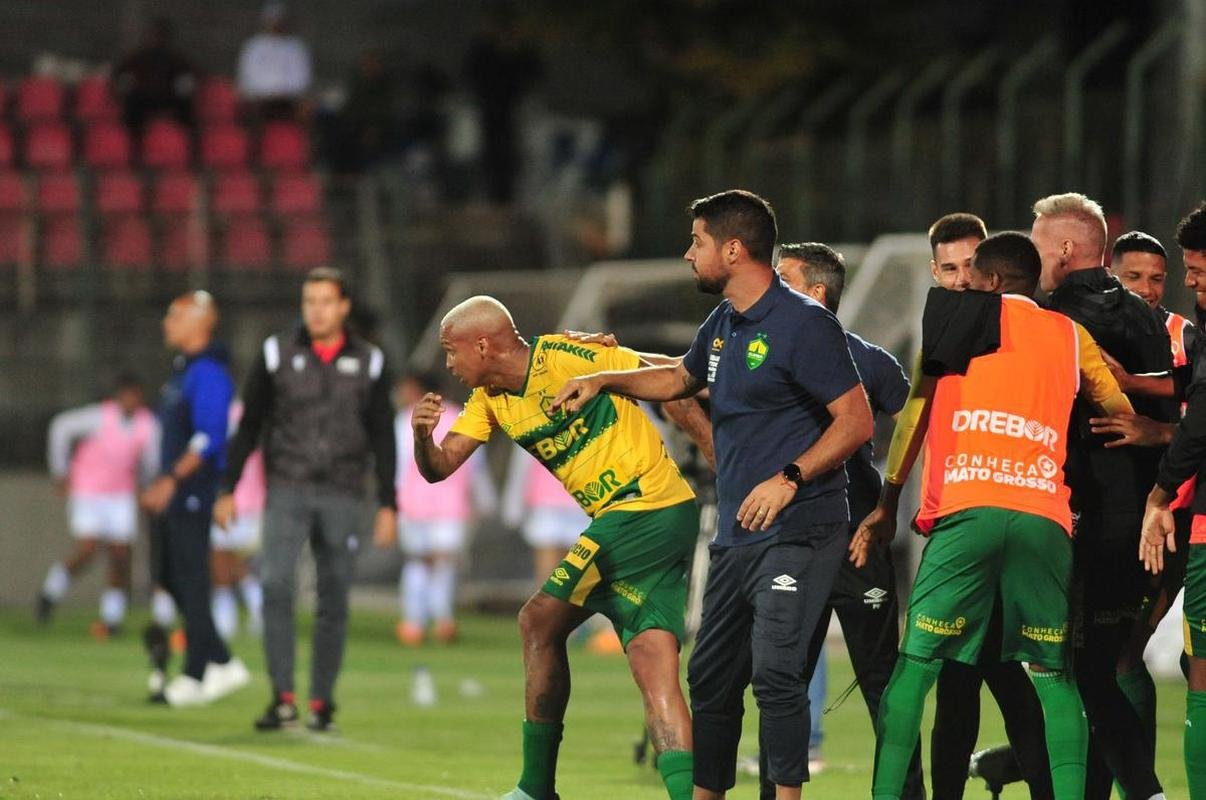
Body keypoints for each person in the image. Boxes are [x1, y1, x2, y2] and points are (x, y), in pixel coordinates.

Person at [553, 189, 875, 800]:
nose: (687, 253)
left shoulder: (806, 324)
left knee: (778, 672)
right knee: (709, 677)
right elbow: (681, 376)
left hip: (801, 528)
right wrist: (604, 377)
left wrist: (790, 478)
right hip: (737, 533)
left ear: (733, 249)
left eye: (697, 241)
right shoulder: (724, 322)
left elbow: (856, 422)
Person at [854, 231, 1136, 800]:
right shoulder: (1069, 334)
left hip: (968, 509)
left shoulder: (956, 323)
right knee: (1053, 676)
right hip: (1043, 515)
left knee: (918, 667)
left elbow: (914, 416)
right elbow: (1119, 409)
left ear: (991, 281)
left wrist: (889, 499)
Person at [414, 295, 697, 800]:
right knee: (653, 660)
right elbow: (439, 467)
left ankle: (535, 788)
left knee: (538, 620)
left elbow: (673, 376)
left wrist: (716, 449)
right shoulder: (490, 400)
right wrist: (422, 438)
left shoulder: (566, 356)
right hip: (650, 516)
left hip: (643, 506)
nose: (448, 363)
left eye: (451, 351)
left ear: (483, 344)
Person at [1032, 192, 1175, 800]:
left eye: (1038, 241)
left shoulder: (1051, 319)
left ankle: (1144, 791)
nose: (1033, 252)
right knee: (1113, 664)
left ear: (1066, 248)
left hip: (1085, 518)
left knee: (1080, 672)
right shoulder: (1149, 319)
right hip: (1144, 517)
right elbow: (1181, 399)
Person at [215, 267, 397, 733]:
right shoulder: (277, 352)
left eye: (324, 301)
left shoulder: (371, 361)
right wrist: (228, 486)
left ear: (343, 307)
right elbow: (250, 422)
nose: (315, 310)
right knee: (274, 583)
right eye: (308, 301)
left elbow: (382, 436)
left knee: (333, 597)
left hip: (343, 492)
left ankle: (321, 701)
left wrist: (388, 502)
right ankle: (283, 696)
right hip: (288, 487)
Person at [923, 213, 1057, 800]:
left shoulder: (1029, 335)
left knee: (1009, 682)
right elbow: (916, 427)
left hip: (1010, 523)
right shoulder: (949, 341)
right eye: (947, 268)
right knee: (966, 688)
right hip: (955, 525)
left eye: (968, 267)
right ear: (935, 271)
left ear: (993, 274)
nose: (959, 280)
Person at [139, 291, 249, 707]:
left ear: (200, 322)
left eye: (174, 316)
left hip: (192, 492)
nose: (167, 324)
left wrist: (170, 480)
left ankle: (196, 671)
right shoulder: (184, 371)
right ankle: (219, 661)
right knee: (170, 574)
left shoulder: (209, 374)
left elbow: (209, 438)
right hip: (177, 491)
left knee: (189, 577)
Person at [1139, 201, 1206, 799]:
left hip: (1194, 519)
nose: (1188, 283)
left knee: (1200, 673)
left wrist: (1161, 492)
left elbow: (1197, 419)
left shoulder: (1192, 336)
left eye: (1195, 271)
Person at [37, 373, 159, 639]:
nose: (132, 400)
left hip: (121, 496)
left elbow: (151, 459)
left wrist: (148, 486)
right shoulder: (98, 417)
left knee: (120, 554)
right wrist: (60, 470)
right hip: (89, 491)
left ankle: (111, 617)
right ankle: (50, 592)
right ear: (119, 396)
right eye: (127, 395)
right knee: (88, 550)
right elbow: (60, 427)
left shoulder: (146, 424)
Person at [394, 371, 496, 646]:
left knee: (419, 562)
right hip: (450, 506)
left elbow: (398, 468)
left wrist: (391, 504)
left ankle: (414, 623)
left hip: (414, 504)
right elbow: (476, 466)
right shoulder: (461, 418)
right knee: (443, 564)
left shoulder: (405, 421)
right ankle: (442, 620)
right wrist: (483, 501)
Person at [210, 400, 265, 641]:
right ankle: (247, 612)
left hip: (244, 503)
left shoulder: (244, 417)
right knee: (226, 560)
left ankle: (231, 616)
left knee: (225, 560)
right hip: (231, 501)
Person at [501, 445, 590, 588]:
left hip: (582, 503)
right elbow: (521, 465)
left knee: (577, 571)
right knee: (547, 569)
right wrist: (513, 506)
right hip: (545, 502)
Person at [113, 16, 196, 134]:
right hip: (143, 96)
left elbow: (191, 73)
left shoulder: (174, 57)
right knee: (131, 106)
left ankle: (189, 141)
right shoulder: (140, 56)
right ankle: (134, 141)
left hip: (167, 97)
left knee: (186, 104)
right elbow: (120, 71)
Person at [236, 1, 312, 119]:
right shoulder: (254, 46)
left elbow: (302, 78)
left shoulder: (295, 47)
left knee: (307, 106)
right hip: (260, 98)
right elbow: (247, 76)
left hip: (288, 100)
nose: (275, 23)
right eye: (272, 19)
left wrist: (281, 92)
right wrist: (267, 92)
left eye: (278, 20)